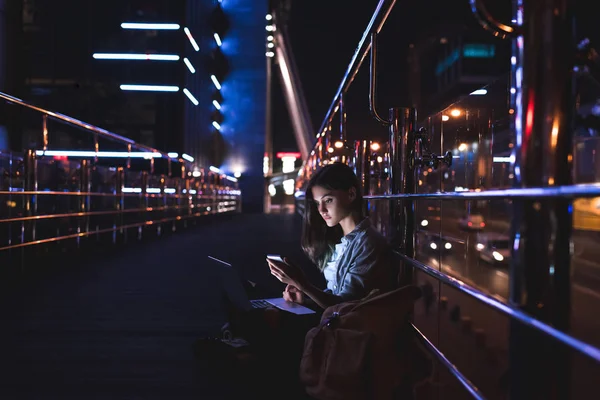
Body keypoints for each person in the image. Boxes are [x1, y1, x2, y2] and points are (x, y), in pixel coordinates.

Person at [267, 162, 397, 310]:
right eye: (317, 203)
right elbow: (336, 296)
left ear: (351, 194)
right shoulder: (343, 241)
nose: (321, 210)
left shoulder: (368, 243)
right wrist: (305, 300)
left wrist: (303, 285)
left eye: (328, 200)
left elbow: (346, 306)